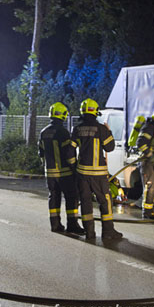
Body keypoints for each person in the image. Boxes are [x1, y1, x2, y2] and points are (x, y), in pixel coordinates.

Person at [71, 99, 123, 240]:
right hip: (98, 174)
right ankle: (108, 232)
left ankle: (89, 233)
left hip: (82, 174)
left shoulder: (76, 129)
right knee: (105, 202)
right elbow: (110, 148)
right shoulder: (101, 129)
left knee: (86, 202)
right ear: (95, 111)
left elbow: (70, 150)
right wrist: (109, 131)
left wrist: (73, 168)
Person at [38, 102, 85, 234]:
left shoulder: (43, 132)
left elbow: (40, 153)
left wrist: (46, 167)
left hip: (50, 173)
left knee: (53, 197)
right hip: (64, 172)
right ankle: (72, 225)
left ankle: (55, 224)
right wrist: (74, 167)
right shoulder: (63, 132)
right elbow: (68, 154)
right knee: (71, 197)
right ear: (64, 115)